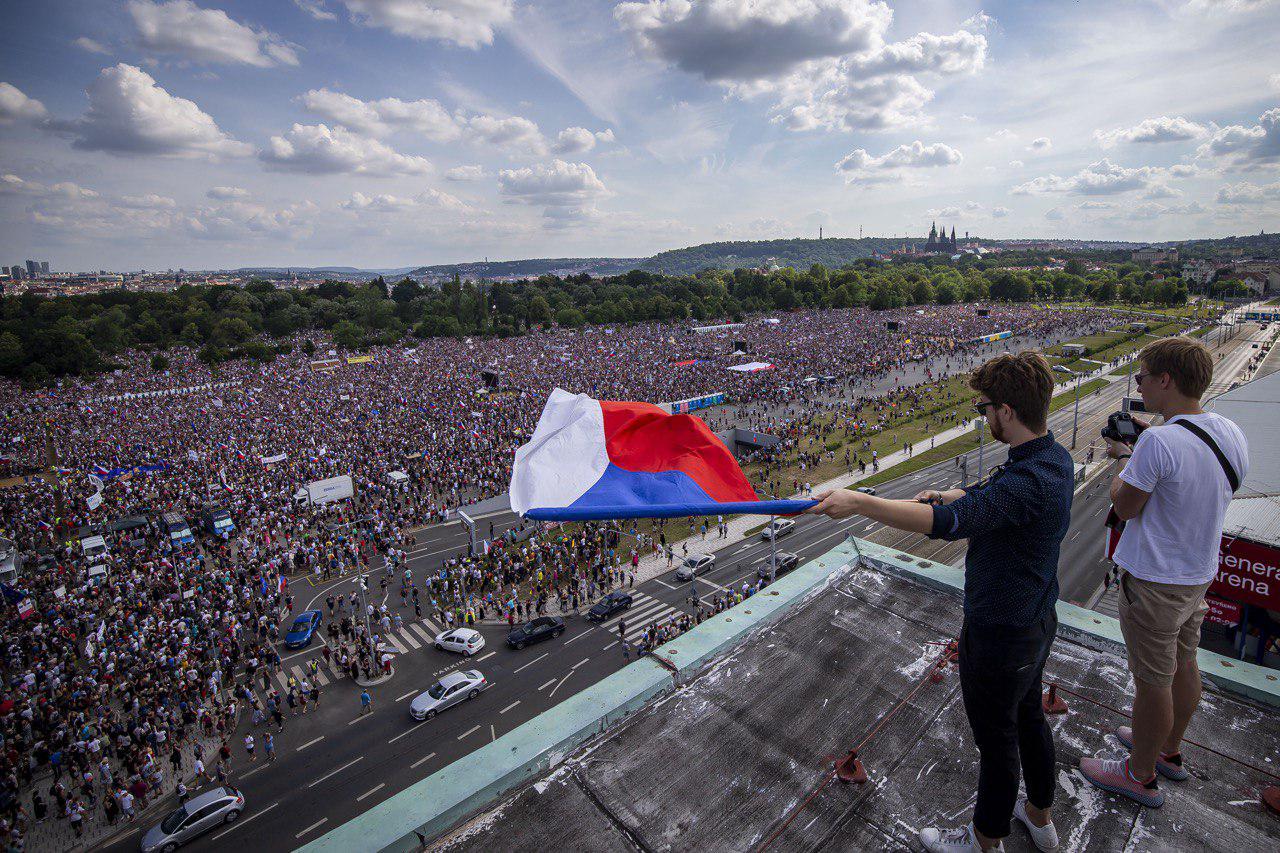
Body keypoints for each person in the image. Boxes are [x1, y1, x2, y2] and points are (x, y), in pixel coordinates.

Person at [809, 351, 1073, 853]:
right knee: (1029, 721)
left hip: (1000, 631)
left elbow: (948, 528)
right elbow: (995, 500)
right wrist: (962, 493)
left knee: (998, 746)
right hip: (1037, 620)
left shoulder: (1026, 481)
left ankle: (983, 842)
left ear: (1008, 411)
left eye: (985, 408)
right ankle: (1039, 817)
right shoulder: (1050, 458)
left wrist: (861, 502)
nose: (984, 417)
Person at [1080, 338, 1247, 808]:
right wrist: (1153, 436)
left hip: (1154, 580)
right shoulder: (1227, 430)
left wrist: (1126, 458)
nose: (1138, 384)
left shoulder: (1156, 442)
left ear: (1165, 380)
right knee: (1184, 663)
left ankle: (1140, 773)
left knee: (1152, 680)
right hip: (1196, 574)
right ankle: (1168, 750)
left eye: (1142, 376)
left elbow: (1126, 505)